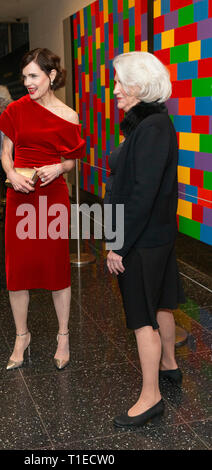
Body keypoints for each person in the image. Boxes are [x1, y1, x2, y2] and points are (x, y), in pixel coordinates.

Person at [105, 51, 185, 428]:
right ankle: (169, 365)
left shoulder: (151, 128)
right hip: (157, 235)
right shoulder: (153, 124)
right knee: (162, 303)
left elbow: (141, 194)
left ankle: (151, 397)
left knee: (142, 317)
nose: (115, 89)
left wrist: (117, 243)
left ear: (139, 85)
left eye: (120, 82)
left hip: (142, 239)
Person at [0, 48, 85, 371]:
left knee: (56, 268)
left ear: (52, 76)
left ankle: (63, 336)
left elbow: (72, 162)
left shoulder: (68, 115)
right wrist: (11, 174)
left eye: (33, 76)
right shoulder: (16, 110)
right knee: (17, 271)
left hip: (52, 196)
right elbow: (6, 152)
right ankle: (22, 336)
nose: (27, 83)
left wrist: (58, 169)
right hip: (20, 195)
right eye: (24, 77)